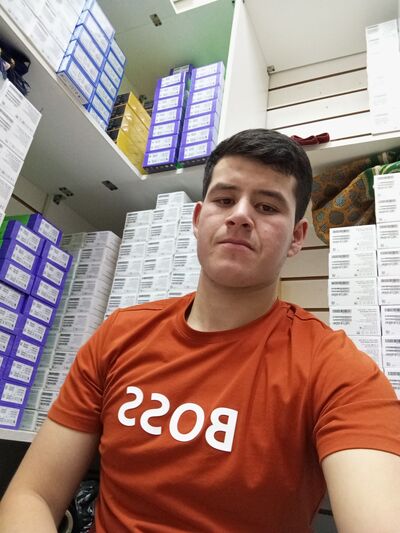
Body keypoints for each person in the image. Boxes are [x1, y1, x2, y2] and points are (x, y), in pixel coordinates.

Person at [0, 129, 399, 533]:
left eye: (266, 206)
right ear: (197, 219)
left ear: (296, 238)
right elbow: (31, 495)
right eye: (224, 200)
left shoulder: (336, 370)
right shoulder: (120, 334)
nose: (240, 215)